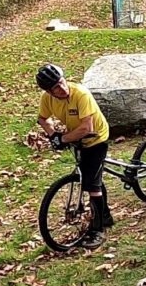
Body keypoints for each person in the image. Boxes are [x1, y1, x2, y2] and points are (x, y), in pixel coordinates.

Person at [36, 64, 112, 250]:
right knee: (91, 175)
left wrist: (62, 139)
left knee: (92, 184)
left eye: (62, 82)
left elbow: (88, 128)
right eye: (55, 87)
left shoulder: (81, 94)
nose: (62, 89)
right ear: (49, 91)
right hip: (77, 139)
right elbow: (42, 119)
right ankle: (106, 215)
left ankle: (98, 230)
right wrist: (53, 135)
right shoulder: (47, 99)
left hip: (96, 139)